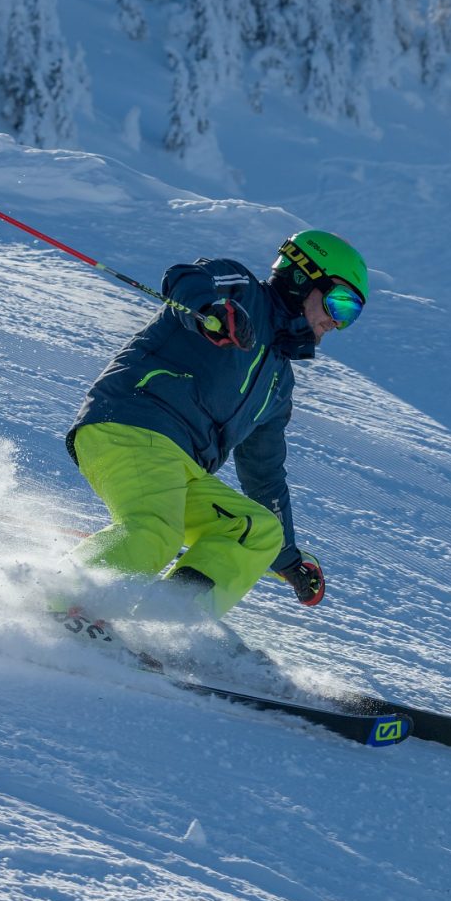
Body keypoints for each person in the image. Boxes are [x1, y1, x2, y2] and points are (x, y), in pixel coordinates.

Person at [63, 229, 369, 619]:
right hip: (132, 423)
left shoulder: (278, 382)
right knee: (155, 530)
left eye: (350, 316)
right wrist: (212, 309)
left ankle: (164, 625)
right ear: (302, 277)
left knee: (257, 531)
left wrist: (289, 560)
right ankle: (60, 603)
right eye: (340, 304)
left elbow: (264, 474)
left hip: (182, 466)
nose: (336, 323)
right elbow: (187, 277)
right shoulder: (241, 291)